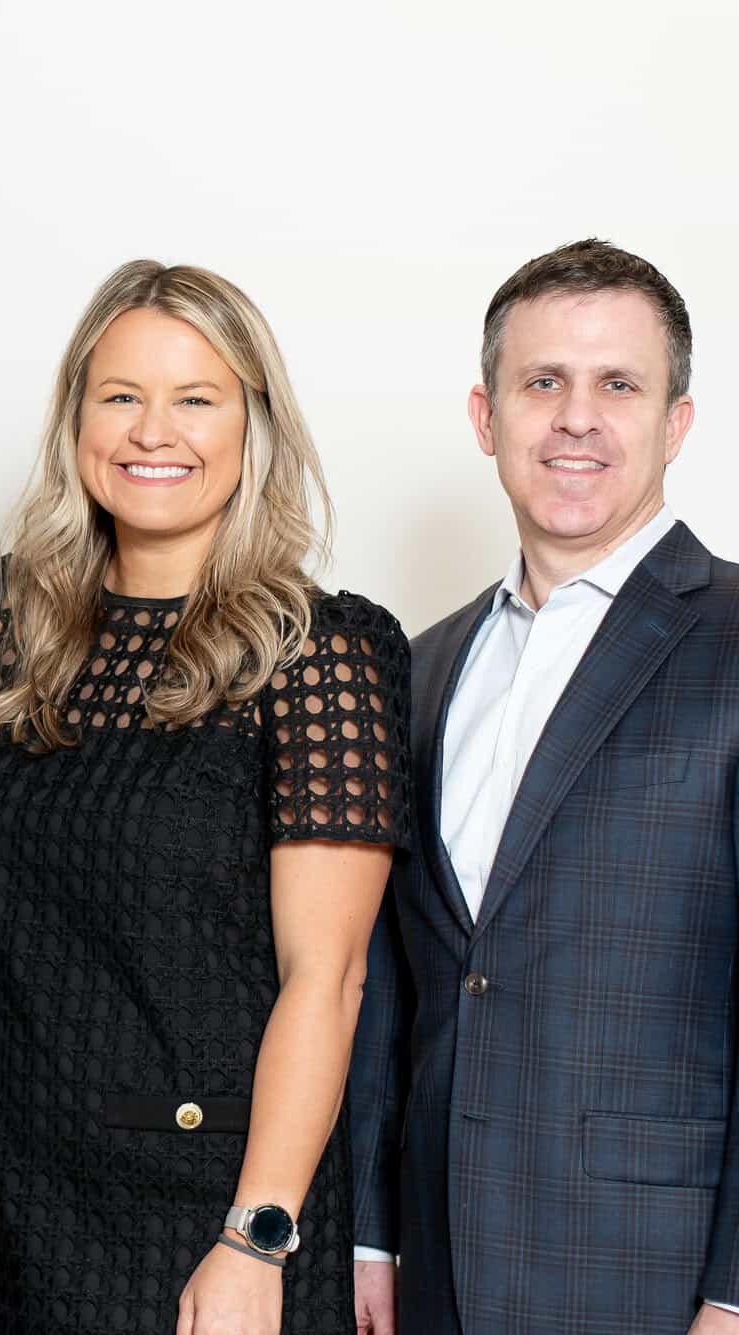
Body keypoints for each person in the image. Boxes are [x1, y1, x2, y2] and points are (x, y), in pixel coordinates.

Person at [0, 260, 412, 1334]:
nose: (155, 431)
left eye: (195, 398)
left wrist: (256, 1236)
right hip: (3, 1200)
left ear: (251, 425)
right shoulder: (6, 619)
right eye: (120, 396)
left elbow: (324, 980)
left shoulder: (318, 650)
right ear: (76, 421)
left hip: (202, 1216)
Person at [349, 240, 739, 1335]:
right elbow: (391, 985)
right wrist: (369, 1232)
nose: (575, 418)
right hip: (432, 1270)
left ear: (675, 423)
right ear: (485, 418)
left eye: (617, 384)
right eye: (540, 383)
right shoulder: (416, 668)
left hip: (653, 1280)